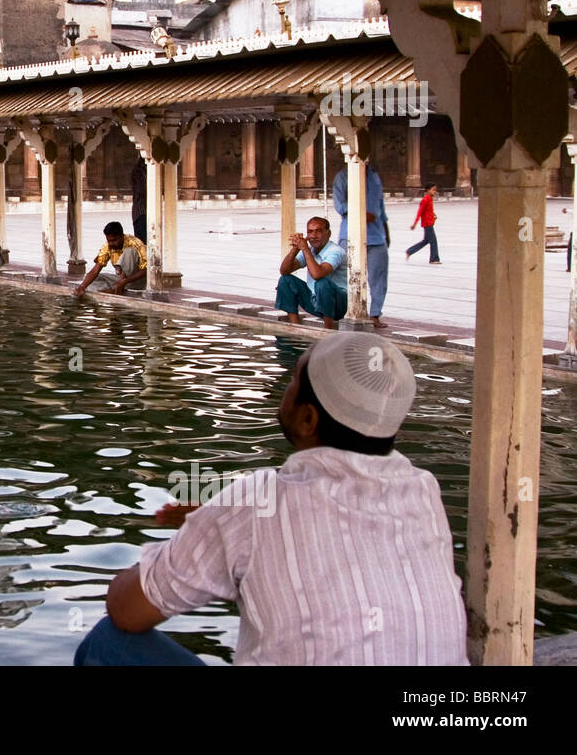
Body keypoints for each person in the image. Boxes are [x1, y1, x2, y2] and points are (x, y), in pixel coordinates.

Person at [75, 332, 468, 665]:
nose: (285, 388)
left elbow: (126, 609)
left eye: (293, 381)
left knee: (106, 643)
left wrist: (210, 528)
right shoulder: (423, 490)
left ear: (308, 419)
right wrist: (218, 521)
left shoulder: (254, 503)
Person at [332, 166, 390, 328]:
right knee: (345, 276)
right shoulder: (343, 177)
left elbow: (381, 206)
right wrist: (360, 214)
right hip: (350, 234)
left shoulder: (374, 176)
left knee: (379, 278)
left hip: (377, 236)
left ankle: (375, 314)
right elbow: (340, 205)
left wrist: (386, 232)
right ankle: (342, 310)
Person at [275, 216, 347, 329]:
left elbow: (317, 274)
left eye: (319, 231)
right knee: (285, 280)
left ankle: (328, 329)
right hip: (316, 301)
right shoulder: (310, 250)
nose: (313, 236)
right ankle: (295, 327)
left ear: (328, 234)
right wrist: (295, 248)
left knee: (321, 282)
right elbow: (284, 270)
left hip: (338, 306)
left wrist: (305, 249)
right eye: (310, 232)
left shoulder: (335, 251)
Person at [74, 221, 147, 297]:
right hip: (120, 280)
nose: (111, 243)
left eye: (114, 240)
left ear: (121, 236)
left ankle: (114, 289)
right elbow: (95, 270)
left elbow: (146, 270)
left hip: (136, 281)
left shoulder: (135, 243)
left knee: (129, 251)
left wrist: (125, 281)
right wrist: (82, 287)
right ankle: (114, 289)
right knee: (91, 278)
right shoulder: (107, 246)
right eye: (109, 240)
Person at [406, 182, 441, 264]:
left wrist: (433, 215)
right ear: (428, 190)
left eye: (435, 190)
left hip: (430, 222)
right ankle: (434, 259)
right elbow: (420, 212)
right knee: (433, 242)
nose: (434, 192)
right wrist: (414, 224)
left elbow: (429, 211)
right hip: (427, 224)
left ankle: (409, 251)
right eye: (433, 190)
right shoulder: (425, 200)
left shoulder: (429, 199)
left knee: (426, 241)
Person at [130, 157, 148, 242]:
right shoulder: (139, 171)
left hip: (144, 212)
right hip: (141, 212)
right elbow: (142, 189)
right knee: (142, 243)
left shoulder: (144, 170)